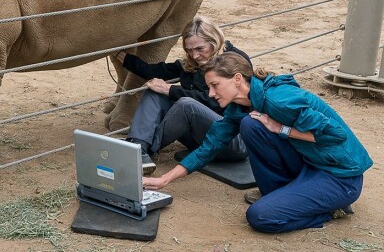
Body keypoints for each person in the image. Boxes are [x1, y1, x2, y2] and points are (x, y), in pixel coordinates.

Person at [144, 52, 372, 233]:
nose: (211, 94)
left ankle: (332, 209)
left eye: (215, 85)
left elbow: (336, 135)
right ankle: (284, 193)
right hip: (310, 162)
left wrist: (281, 129)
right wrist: (165, 179)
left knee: (261, 217)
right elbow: (209, 147)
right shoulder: (239, 107)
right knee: (251, 125)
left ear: (237, 79)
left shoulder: (279, 100)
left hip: (340, 175)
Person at [117, 15, 249, 175]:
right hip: (202, 138)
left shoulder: (233, 61)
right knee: (154, 90)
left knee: (186, 104)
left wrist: (171, 90)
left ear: (214, 42)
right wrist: (119, 54)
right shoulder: (192, 63)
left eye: (200, 49)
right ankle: (137, 148)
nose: (194, 55)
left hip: (232, 140)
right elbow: (154, 71)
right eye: (189, 50)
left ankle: (145, 147)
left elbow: (213, 101)